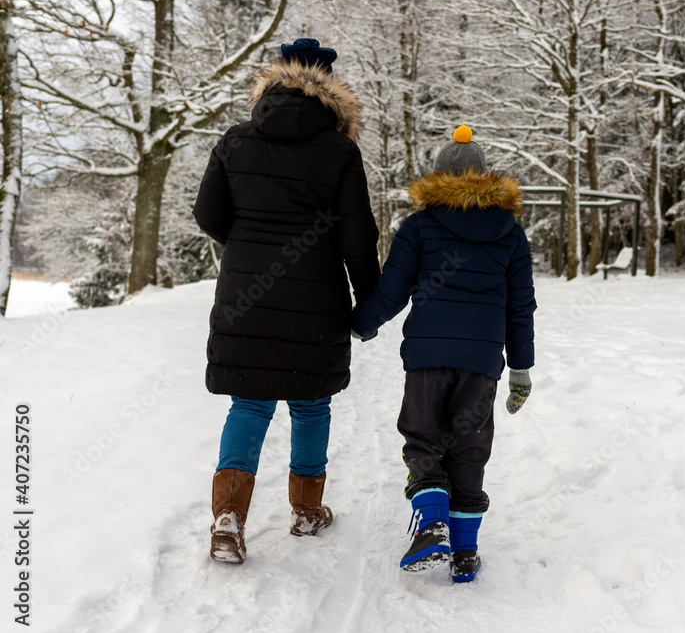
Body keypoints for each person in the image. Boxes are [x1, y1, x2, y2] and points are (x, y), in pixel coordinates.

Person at [193, 38, 380, 563]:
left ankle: (228, 518)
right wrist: (370, 302)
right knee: (310, 401)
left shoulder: (236, 141)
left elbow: (208, 214)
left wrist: (249, 242)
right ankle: (305, 510)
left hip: (244, 291)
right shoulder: (340, 151)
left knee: (249, 401)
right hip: (316, 295)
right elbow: (356, 235)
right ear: (332, 93)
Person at [352, 125, 536, 583]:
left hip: (427, 357)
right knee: (469, 447)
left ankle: (431, 521)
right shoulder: (511, 234)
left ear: (438, 175)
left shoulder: (420, 227)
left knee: (423, 437)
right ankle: (466, 552)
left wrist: (360, 323)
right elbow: (520, 305)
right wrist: (521, 369)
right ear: (485, 175)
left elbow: (391, 290)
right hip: (483, 360)